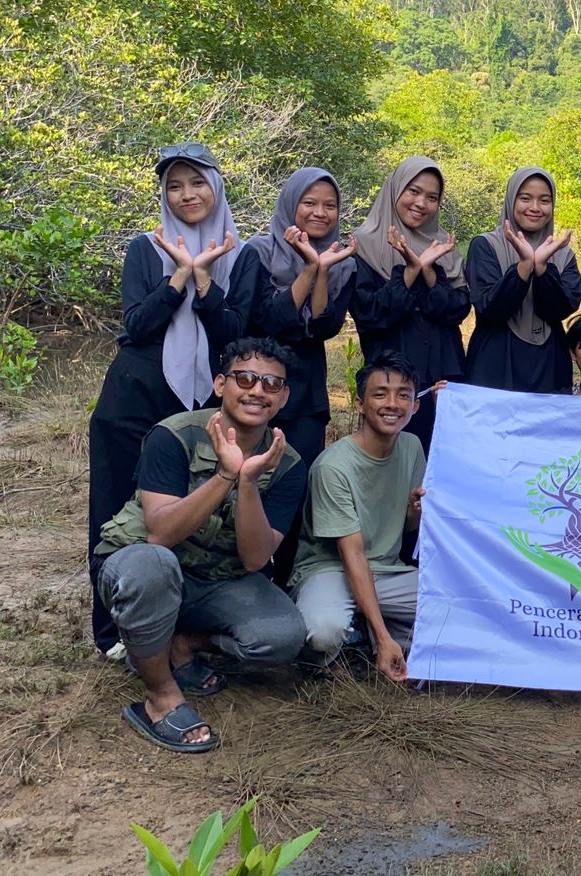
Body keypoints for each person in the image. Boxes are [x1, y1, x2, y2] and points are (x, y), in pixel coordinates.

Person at [86, 143, 261, 655]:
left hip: (203, 405)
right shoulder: (145, 246)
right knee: (113, 505)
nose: (187, 195)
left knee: (185, 511)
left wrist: (206, 279)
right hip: (134, 396)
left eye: (197, 182)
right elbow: (137, 326)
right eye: (174, 186)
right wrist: (179, 273)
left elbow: (235, 338)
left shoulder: (240, 253)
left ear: (217, 186)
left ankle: (168, 625)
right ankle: (109, 629)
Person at [94, 338, 308, 753]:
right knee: (154, 565)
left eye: (271, 384)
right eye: (245, 378)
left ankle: (181, 642)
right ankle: (160, 696)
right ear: (220, 384)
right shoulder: (174, 435)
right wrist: (224, 475)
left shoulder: (289, 464)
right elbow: (161, 532)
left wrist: (247, 481)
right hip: (144, 564)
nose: (257, 390)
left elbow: (254, 558)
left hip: (216, 578)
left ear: (283, 398)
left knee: (283, 635)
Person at [247, 168, 357, 584]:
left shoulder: (343, 262)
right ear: (291, 203)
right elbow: (272, 319)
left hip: (306, 388)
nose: (320, 212)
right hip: (257, 385)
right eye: (309, 202)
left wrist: (323, 268)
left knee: (297, 482)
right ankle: (244, 575)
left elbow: (324, 327)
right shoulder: (257, 252)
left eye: (330, 205)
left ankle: (288, 580)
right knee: (249, 479)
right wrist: (309, 270)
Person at [291, 353, 425, 681]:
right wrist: (383, 639)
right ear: (360, 404)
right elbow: (351, 554)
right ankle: (371, 637)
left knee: (457, 608)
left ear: (415, 406)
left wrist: (415, 513)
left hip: (386, 571)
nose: (392, 404)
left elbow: (406, 527)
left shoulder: (412, 446)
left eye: (403, 395)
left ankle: (363, 635)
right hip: (331, 569)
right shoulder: (333, 466)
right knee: (324, 631)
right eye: (380, 394)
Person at [349, 157, 470, 452]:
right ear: (395, 191)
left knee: (443, 468)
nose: (421, 203)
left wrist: (428, 269)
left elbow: (457, 310)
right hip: (392, 386)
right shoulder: (362, 246)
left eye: (432, 197)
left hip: (445, 379)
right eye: (413, 191)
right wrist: (410, 270)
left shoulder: (444, 248)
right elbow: (371, 314)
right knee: (394, 465)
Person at [465, 167, 581, 393]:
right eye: (525, 198)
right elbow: (491, 309)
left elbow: (560, 310)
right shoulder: (485, 246)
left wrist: (541, 269)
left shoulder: (562, 254)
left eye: (544, 200)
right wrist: (524, 266)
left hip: (550, 362)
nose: (535, 208)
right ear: (511, 200)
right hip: (495, 362)